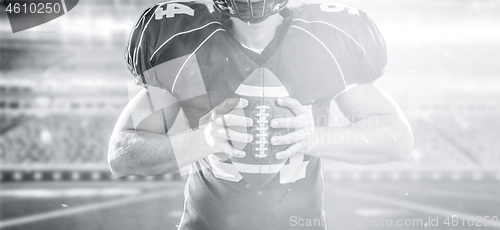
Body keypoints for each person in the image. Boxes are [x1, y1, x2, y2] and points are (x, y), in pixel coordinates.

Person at [108, 0, 414, 229]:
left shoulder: (325, 43)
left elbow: (398, 139)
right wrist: (205, 139)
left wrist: (314, 138)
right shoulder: (187, 43)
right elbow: (121, 154)